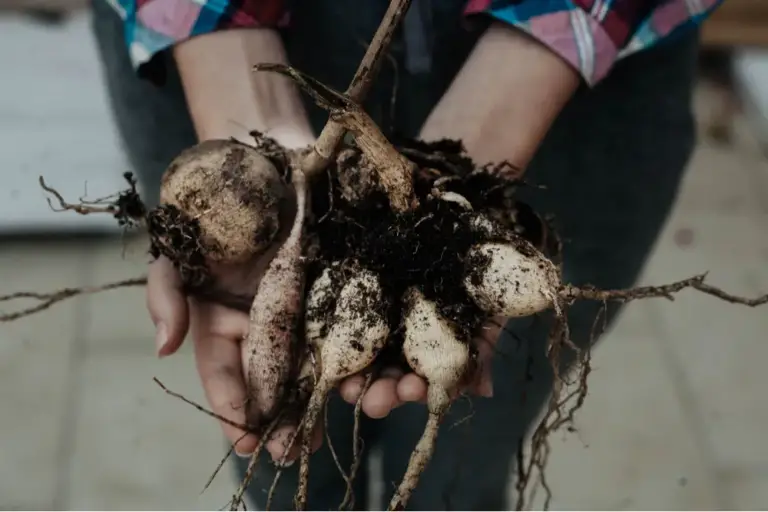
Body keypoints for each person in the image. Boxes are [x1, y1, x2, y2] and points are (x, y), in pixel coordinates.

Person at [91, 0, 722, 509]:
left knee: (465, 462)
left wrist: (517, 82)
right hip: (208, 42)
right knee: (280, 454)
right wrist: (235, 77)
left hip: (582, 67)